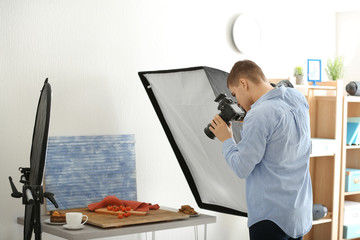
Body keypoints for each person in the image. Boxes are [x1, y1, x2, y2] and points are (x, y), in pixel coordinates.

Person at [209, 60, 312, 240]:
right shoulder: (297, 98)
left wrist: (226, 139)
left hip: (270, 219)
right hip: (298, 214)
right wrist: (251, 120)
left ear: (243, 83)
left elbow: (241, 167)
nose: (238, 103)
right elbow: (280, 137)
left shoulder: (259, 115)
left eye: (235, 94)